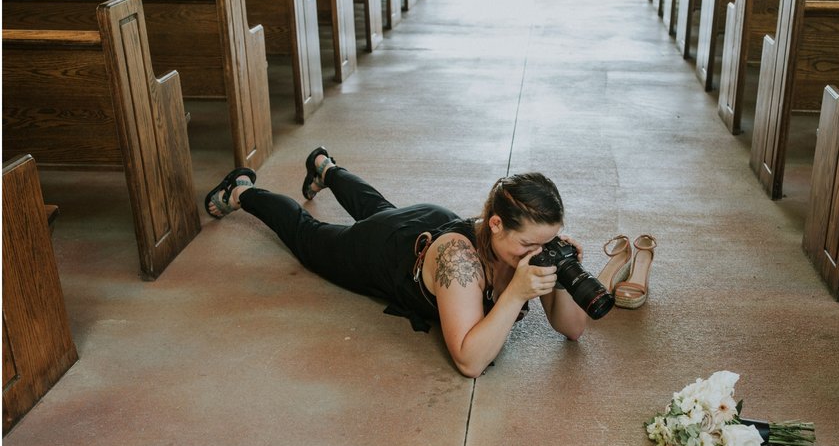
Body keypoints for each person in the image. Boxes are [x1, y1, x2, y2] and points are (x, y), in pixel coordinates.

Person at [205, 147, 589, 377]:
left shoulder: (527, 247)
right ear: (495, 224)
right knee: (311, 238)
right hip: (386, 248)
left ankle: (326, 168)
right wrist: (516, 295)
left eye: (549, 240)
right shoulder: (460, 261)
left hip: (421, 226)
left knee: (379, 208)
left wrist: (566, 277)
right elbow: (470, 362)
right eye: (529, 243)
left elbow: (571, 329)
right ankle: (243, 191)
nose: (538, 251)